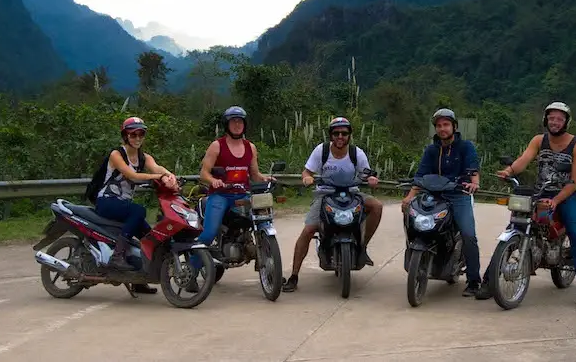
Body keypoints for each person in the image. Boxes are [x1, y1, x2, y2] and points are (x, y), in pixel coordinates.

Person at [474, 101, 576, 308]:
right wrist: (510, 172)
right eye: (551, 118)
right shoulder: (539, 140)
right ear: (545, 119)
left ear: (566, 121)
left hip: (568, 194)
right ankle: (489, 281)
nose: (554, 122)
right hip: (541, 191)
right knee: (514, 226)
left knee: (575, 232)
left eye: (559, 119)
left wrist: (556, 200)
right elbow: (524, 159)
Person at [282, 117, 382, 292]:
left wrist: (371, 179)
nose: (340, 136)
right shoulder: (321, 151)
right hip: (325, 193)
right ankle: (294, 275)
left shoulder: (356, 153)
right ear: (331, 135)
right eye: (336, 133)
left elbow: (367, 174)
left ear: (349, 135)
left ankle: (362, 246)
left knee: (377, 206)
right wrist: (307, 177)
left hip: (352, 192)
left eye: (344, 133)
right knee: (308, 229)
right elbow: (307, 170)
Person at [185, 106, 274, 292]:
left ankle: (271, 267)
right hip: (221, 195)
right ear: (227, 124)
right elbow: (203, 173)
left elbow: (254, 174)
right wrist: (213, 181)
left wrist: (266, 179)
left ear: (244, 124)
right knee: (209, 234)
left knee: (263, 223)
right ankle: (191, 271)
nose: (236, 124)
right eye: (233, 121)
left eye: (240, 121)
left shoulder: (250, 147)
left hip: (242, 195)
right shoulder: (217, 145)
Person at [401, 108, 483, 297]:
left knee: (469, 235)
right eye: (438, 126)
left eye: (446, 125)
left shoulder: (465, 147)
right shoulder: (431, 150)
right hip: (433, 194)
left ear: (454, 126)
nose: (442, 129)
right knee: (413, 219)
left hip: (458, 194)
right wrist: (409, 196)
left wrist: (474, 183)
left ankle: (473, 281)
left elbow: (473, 169)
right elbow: (420, 175)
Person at [95, 116, 178, 294]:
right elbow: (132, 175)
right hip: (106, 202)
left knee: (150, 237)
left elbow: (157, 168)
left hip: (123, 204)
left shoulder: (143, 157)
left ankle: (139, 279)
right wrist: (157, 177)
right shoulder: (117, 154)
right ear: (125, 136)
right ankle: (117, 256)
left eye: (141, 134)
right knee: (139, 211)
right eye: (133, 134)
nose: (137, 138)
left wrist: (170, 175)